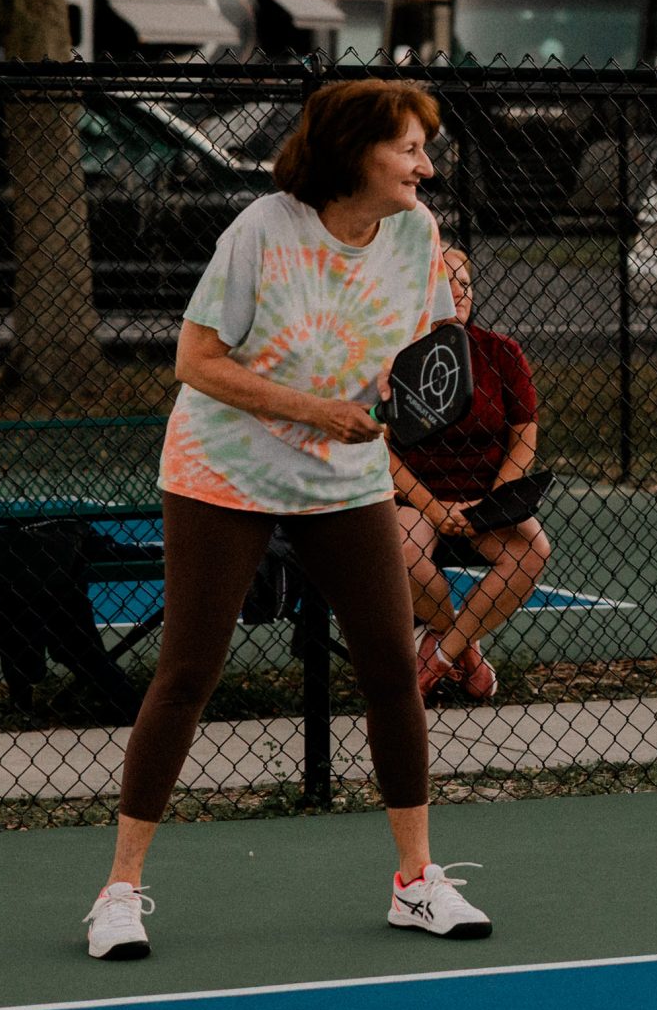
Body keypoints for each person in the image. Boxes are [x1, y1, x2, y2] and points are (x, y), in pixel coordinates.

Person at [84, 80, 491, 961]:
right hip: (220, 471)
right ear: (355, 152)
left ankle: (416, 881)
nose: (428, 162)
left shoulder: (416, 235)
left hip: (342, 476)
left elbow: (427, 352)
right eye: (411, 147)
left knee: (390, 664)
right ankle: (119, 891)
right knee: (187, 671)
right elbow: (195, 360)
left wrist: (404, 396)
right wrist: (314, 407)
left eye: (428, 145)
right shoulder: (263, 230)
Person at [390, 246, 551, 701]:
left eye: (466, 283)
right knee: (401, 552)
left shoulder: (501, 352)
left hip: (484, 497)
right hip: (416, 497)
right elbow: (381, 449)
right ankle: (466, 652)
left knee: (533, 551)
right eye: (447, 281)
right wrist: (431, 507)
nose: (459, 292)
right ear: (424, 291)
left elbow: (524, 439)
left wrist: (492, 504)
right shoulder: (397, 354)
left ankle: (439, 656)